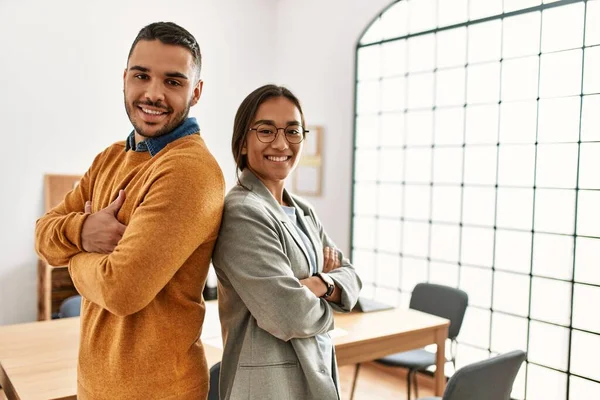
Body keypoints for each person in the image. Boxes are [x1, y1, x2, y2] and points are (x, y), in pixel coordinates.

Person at [34, 22, 224, 400]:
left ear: (196, 91)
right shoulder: (109, 158)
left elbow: (122, 290)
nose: (153, 93)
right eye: (142, 76)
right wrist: (84, 228)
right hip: (94, 385)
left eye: (173, 81)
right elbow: (42, 235)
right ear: (124, 79)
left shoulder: (190, 170)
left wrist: (73, 255)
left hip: (161, 391)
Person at [212, 84, 362, 399]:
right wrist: (331, 293)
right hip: (269, 387)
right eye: (266, 131)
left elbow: (351, 276)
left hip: (314, 375)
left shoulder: (303, 211)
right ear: (242, 143)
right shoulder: (243, 212)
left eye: (293, 132)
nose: (281, 143)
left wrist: (318, 284)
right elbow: (288, 313)